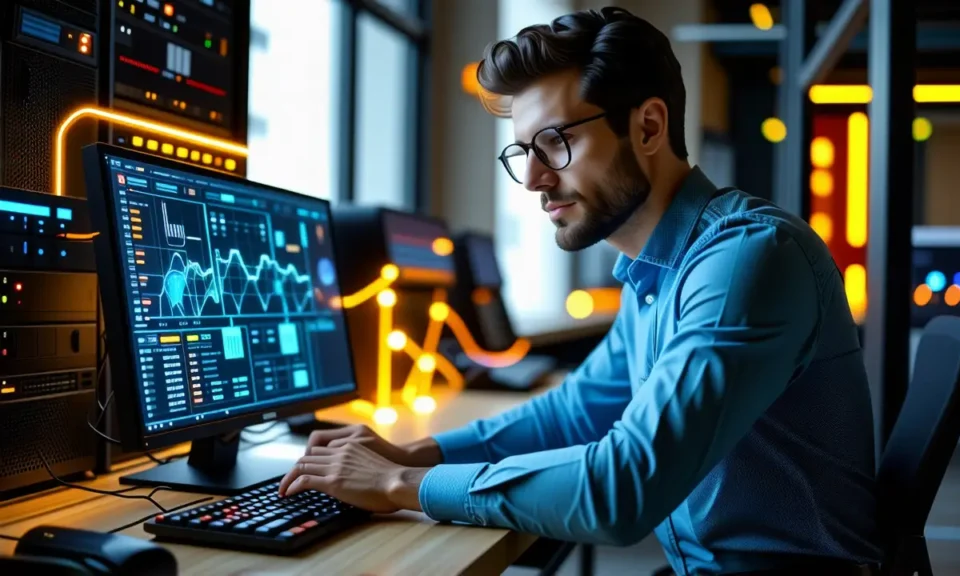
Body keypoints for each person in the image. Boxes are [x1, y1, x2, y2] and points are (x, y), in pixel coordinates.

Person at [279, 7, 882, 575]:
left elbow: (623, 490)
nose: (536, 179)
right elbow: (574, 414)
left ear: (648, 126)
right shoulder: (656, 273)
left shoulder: (745, 260)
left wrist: (398, 488)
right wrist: (418, 454)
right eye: (524, 152)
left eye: (556, 143)